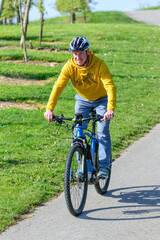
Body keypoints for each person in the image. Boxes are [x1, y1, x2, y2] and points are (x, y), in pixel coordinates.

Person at [44, 36, 116, 178]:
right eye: (75, 54)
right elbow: (58, 86)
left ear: (88, 52)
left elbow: (109, 85)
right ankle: (81, 168)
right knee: (78, 132)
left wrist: (110, 108)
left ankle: (104, 167)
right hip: (83, 100)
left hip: (102, 100)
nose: (77, 57)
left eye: (81, 53)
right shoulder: (69, 66)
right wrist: (49, 108)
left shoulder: (99, 64)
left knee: (102, 131)